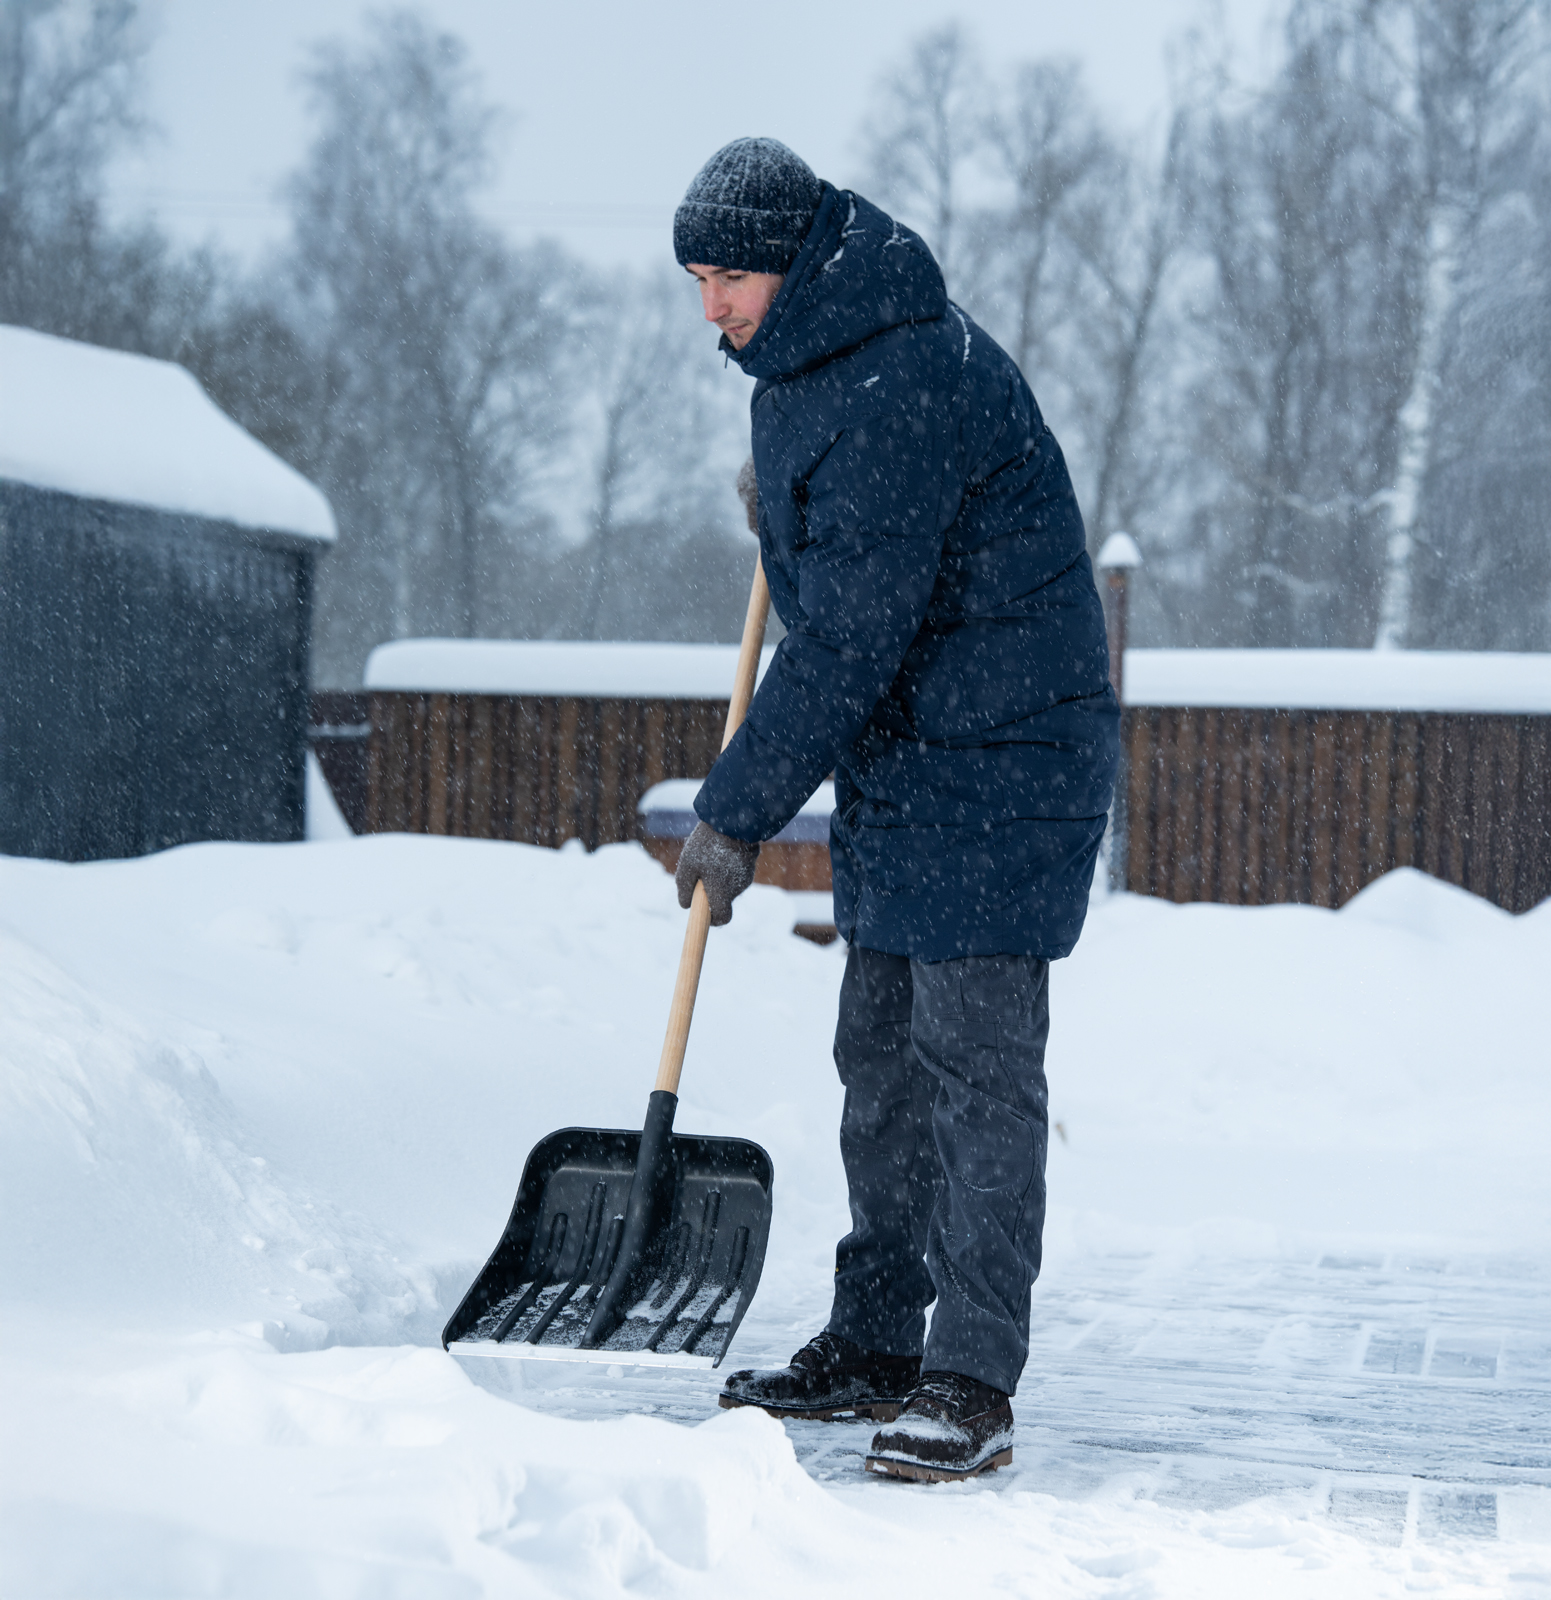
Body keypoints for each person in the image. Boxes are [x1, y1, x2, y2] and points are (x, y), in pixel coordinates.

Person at [671, 137, 1119, 1483]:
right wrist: (787, 525)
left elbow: (853, 636)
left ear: (793, 263)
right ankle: (875, 1338)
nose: (712, 308)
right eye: (697, 282)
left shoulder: (898, 372)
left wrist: (737, 811)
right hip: (914, 760)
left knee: (975, 1076)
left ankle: (970, 1376)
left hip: (1004, 759)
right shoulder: (808, 365)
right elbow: (856, 584)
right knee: (880, 1064)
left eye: (731, 278)